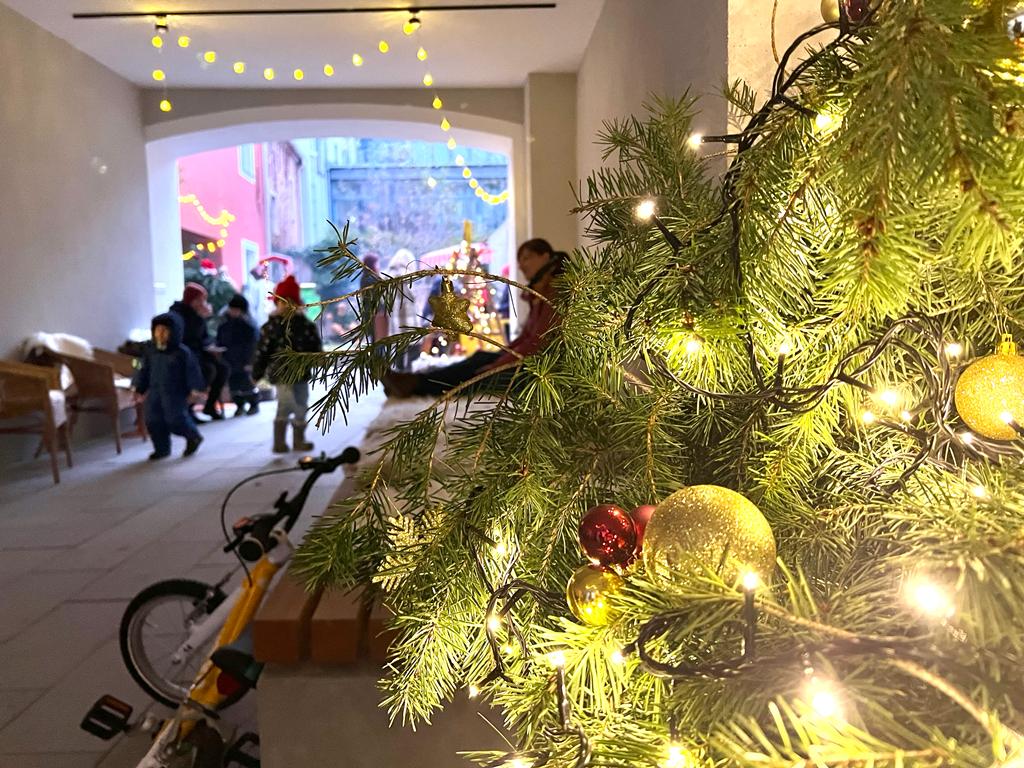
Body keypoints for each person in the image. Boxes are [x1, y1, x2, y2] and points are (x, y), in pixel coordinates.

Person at [382, 238, 564, 398]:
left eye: (527, 258)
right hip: (527, 359)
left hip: (538, 369)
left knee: (481, 374)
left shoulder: (555, 291)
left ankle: (417, 386)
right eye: (519, 260)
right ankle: (415, 382)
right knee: (481, 357)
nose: (521, 265)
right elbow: (526, 338)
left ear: (545, 256)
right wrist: (504, 355)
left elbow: (537, 343)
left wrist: (500, 364)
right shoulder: (540, 291)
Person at [253, 275, 323, 453]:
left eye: (291, 303)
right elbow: (262, 351)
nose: (287, 307)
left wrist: (319, 358)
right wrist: (257, 373)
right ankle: (279, 441)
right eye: (283, 302)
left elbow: (315, 346)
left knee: (302, 405)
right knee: (286, 403)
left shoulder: (305, 326)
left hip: (301, 372)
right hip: (281, 373)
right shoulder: (271, 327)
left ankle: (299, 439)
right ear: (277, 303)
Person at [133, 312, 205, 460]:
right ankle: (162, 449)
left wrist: (194, 389)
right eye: (157, 330)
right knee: (153, 420)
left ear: (174, 332)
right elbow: (142, 370)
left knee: (175, 419)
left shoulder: (182, 353)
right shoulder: (149, 352)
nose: (160, 334)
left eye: (165, 330)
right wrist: (138, 387)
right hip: (154, 391)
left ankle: (192, 436)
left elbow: (192, 371)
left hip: (175, 392)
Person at [169, 282, 229, 421]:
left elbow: (204, 337)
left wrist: (210, 345)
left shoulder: (197, 315)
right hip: (186, 356)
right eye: (202, 300)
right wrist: (200, 318)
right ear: (194, 300)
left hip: (200, 352)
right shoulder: (179, 315)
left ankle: (210, 406)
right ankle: (189, 408)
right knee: (207, 370)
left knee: (223, 368)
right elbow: (186, 338)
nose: (204, 303)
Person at [216, 294, 260, 416]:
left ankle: (254, 404)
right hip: (229, 359)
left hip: (244, 360)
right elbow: (220, 339)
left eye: (236, 310)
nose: (233, 312)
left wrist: (250, 362)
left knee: (247, 384)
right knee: (234, 385)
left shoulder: (249, 325)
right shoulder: (224, 323)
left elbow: (253, 345)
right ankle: (239, 406)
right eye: (232, 309)